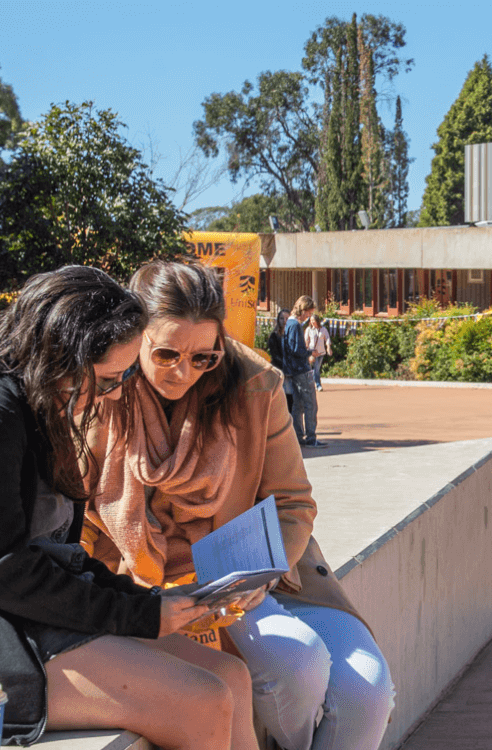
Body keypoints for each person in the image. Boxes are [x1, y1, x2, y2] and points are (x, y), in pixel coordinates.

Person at [0, 266, 260, 750]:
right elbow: (1, 570)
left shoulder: (27, 398)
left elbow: (49, 554)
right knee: (202, 700)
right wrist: (140, 617)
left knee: (231, 677)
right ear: (64, 358)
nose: (114, 393)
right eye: (109, 379)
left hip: (9, 614)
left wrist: (147, 605)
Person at [86, 261, 395, 748]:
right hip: (148, 589)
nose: (183, 371)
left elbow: (294, 504)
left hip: (251, 577)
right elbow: (79, 520)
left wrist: (259, 574)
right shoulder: (104, 388)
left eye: (203, 357)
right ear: (136, 337)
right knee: (298, 662)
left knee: (368, 691)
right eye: (166, 353)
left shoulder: (254, 384)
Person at [272, 296, 324, 448]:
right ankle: (310, 437)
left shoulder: (289, 324)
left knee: (298, 405)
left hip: (292, 370)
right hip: (301, 369)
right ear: (303, 310)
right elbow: (295, 349)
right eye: (308, 313)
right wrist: (309, 352)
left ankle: (298, 436)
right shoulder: (295, 325)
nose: (308, 317)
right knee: (310, 404)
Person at [306, 312, 332, 392]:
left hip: (321, 352)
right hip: (312, 352)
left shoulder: (323, 329)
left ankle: (311, 384)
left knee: (316, 369)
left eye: (313, 320)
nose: (312, 322)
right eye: (311, 320)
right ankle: (318, 385)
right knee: (316, 369)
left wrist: (328, 348)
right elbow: (306, 340)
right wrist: (307, 351)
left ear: (317, 321)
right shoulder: (309, 329)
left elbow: (327, 338)